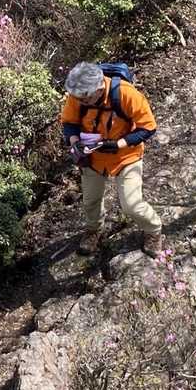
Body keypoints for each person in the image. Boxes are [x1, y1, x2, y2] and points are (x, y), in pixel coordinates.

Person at [60, 62, 164, 256]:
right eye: (78, 98)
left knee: (131, 205)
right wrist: (75, 143)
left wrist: (118, 144)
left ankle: (153, 230)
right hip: (92, 157)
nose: (80, 101)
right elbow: (69, 122)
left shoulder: (126, 94)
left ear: (99, 90)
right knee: (90, 201)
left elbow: (148, 127)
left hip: (126, 157)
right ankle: (94, 230)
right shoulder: (78, 96)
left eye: (85, 99)